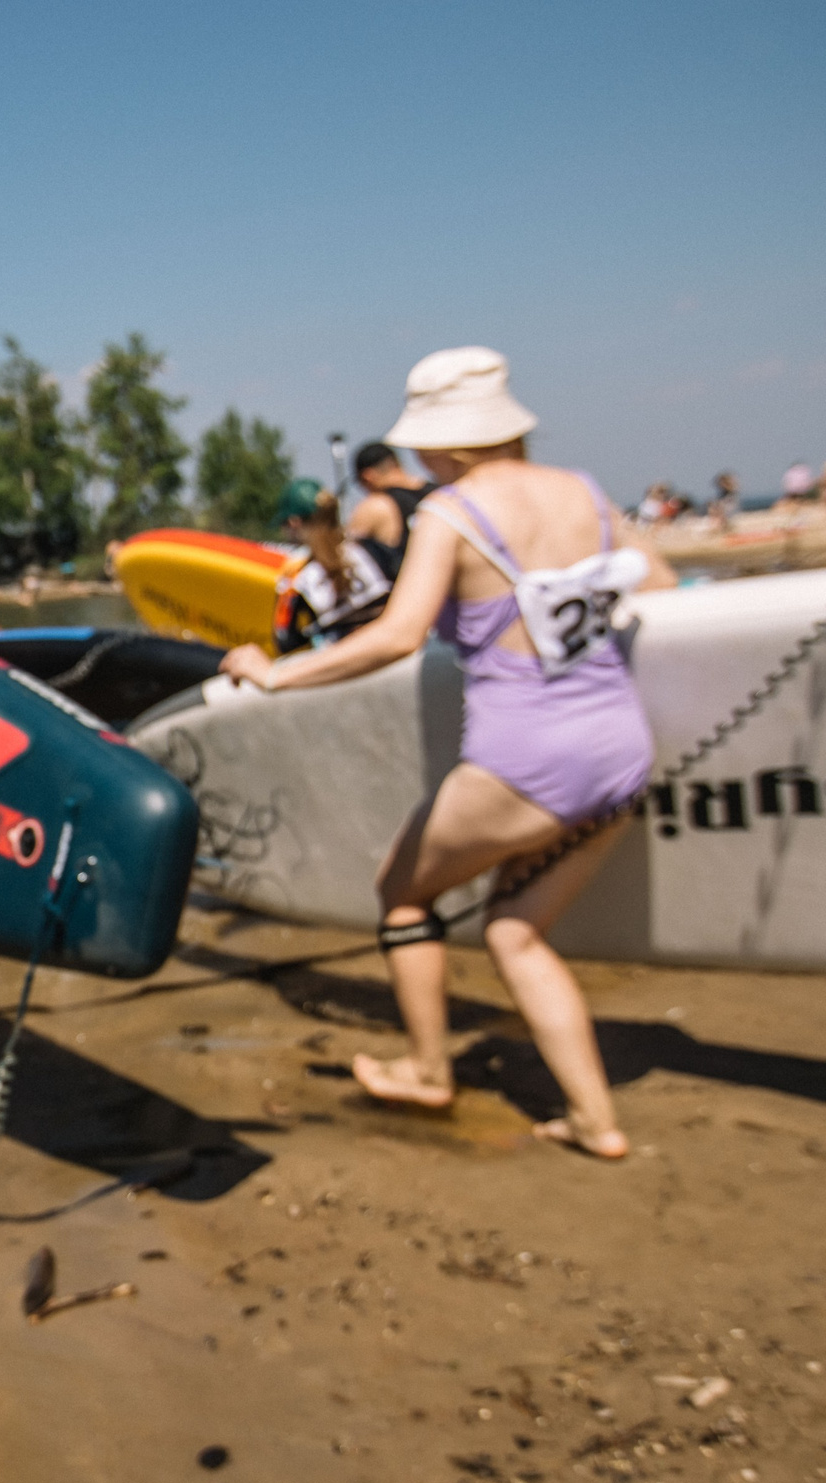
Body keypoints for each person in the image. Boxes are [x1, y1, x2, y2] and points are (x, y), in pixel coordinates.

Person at [216, 347, 674, 1160]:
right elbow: (661, 587)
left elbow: (395, 635)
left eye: (426, 443)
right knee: (513, 931)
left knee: (401, 889)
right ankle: (596, 1121)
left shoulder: (451, 513)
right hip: (621, 749)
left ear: (453, 443)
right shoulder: (585, 493)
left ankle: (429, 1069)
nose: (419, 458)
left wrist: (275, 674)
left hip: (527, 758)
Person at [271, 478, 393, 651]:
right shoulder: (370, 548)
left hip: (346, 664)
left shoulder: (298, 577)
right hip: (392, 651)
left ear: (294, 522)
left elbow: (285, 640)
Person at [344, 442, 436, 576]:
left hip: (411, 590)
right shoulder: (440, 493)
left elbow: (346, 558)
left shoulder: (375, 506)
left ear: (368, 476)